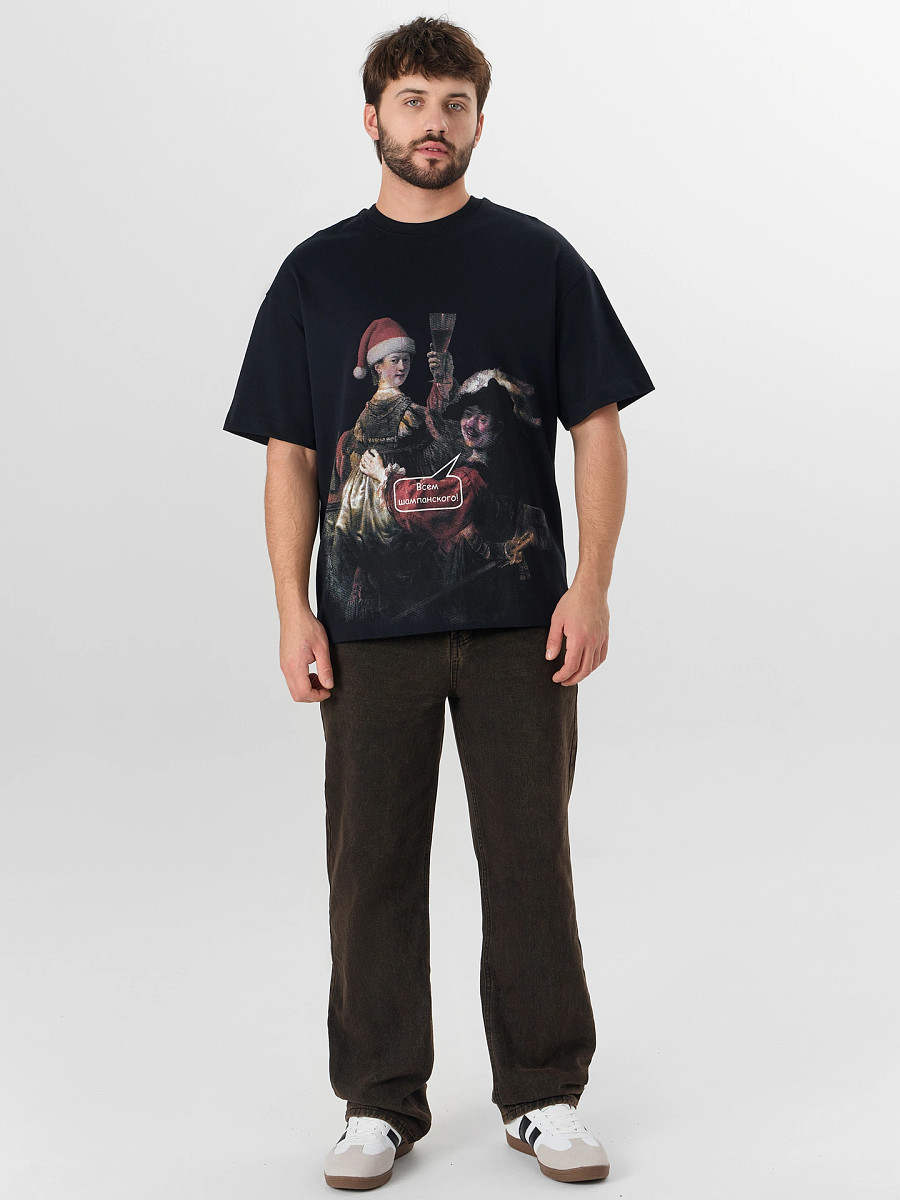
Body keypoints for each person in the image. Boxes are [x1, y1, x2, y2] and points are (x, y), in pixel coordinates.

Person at [222, 15, 655, 1191]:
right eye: (413, 100)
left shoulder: (538, 259)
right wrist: (291, 609)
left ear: (478, 120)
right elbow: (290, 456)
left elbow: (599, 428)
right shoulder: (316, 273)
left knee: (529, 860)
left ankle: (543, 1094)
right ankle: (377, 1102)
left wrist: (592, 586)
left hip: (521, 623)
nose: (434, 123)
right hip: (367, 628)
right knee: (369, 866)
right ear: (372, 116)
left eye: (455, 103)